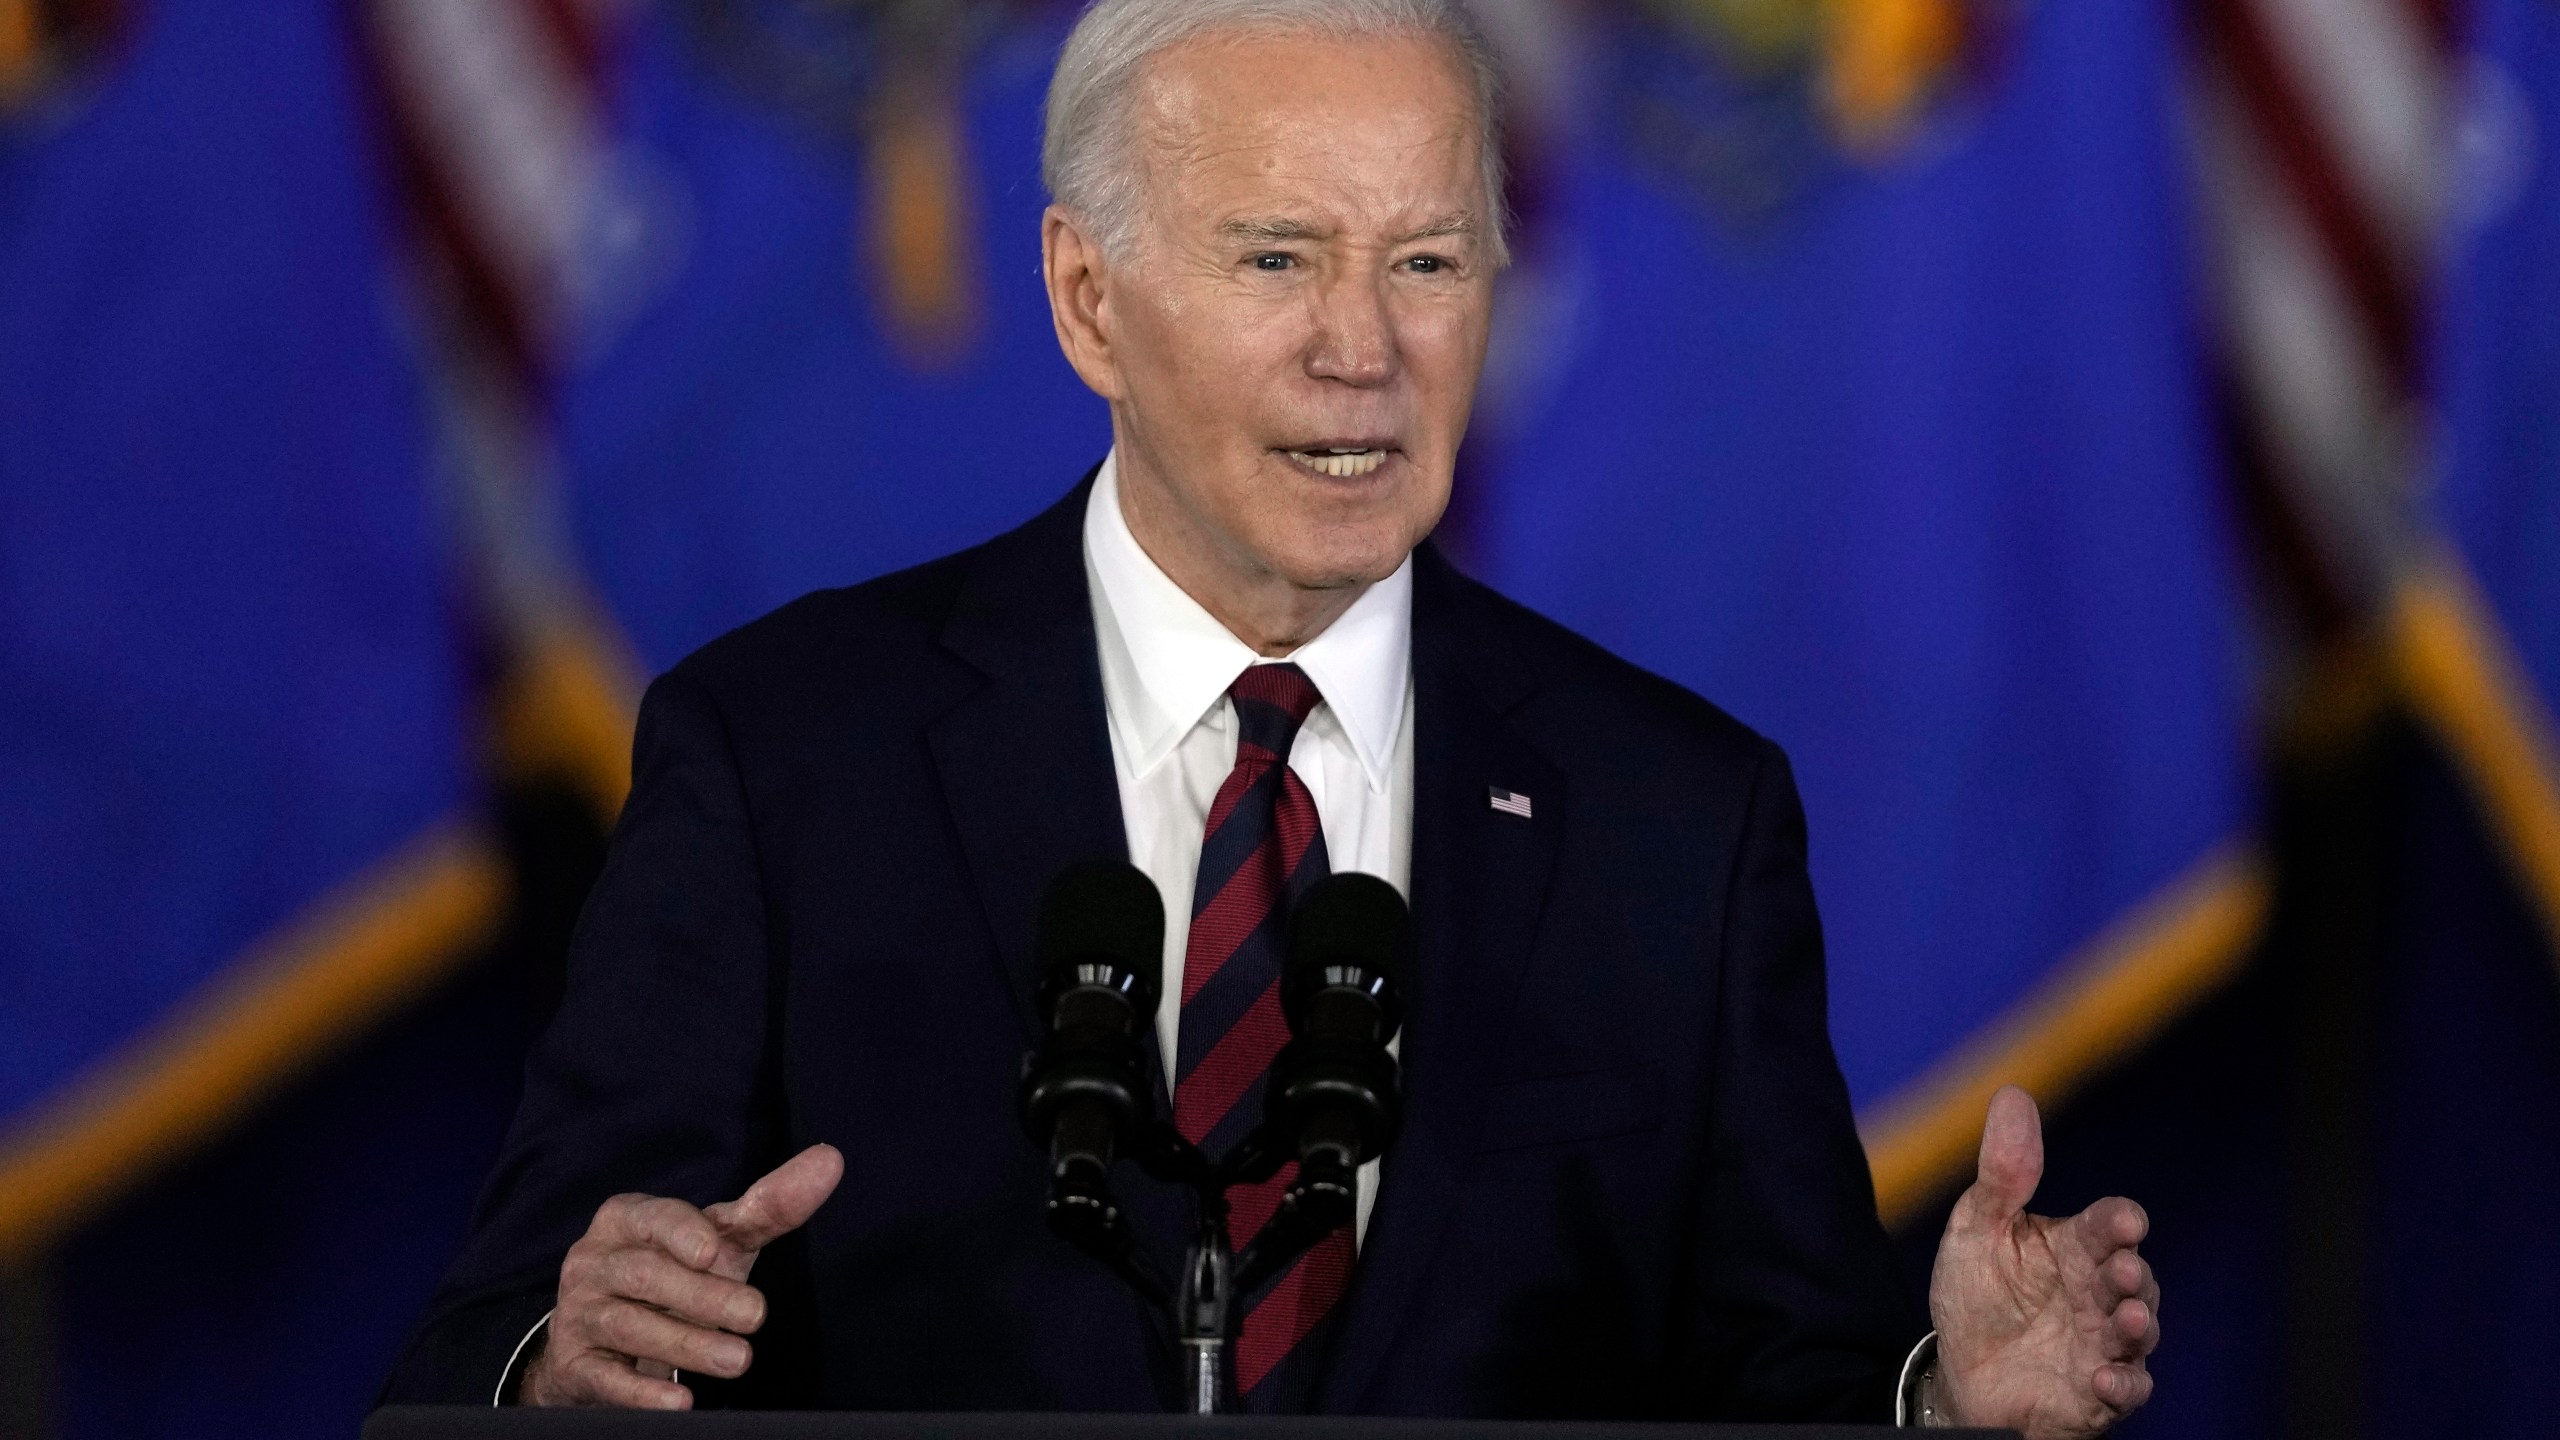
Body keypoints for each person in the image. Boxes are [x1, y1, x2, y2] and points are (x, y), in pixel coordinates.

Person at [382, 0, 2160, 1430]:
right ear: (1090, 301)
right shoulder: (782, 762)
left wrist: (1937, 1405)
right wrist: (562, 1358)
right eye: (1276, 260)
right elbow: (488, 1347)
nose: (1362, 352)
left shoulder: (1676, 821)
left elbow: (1778, 1391)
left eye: (1429, 265)